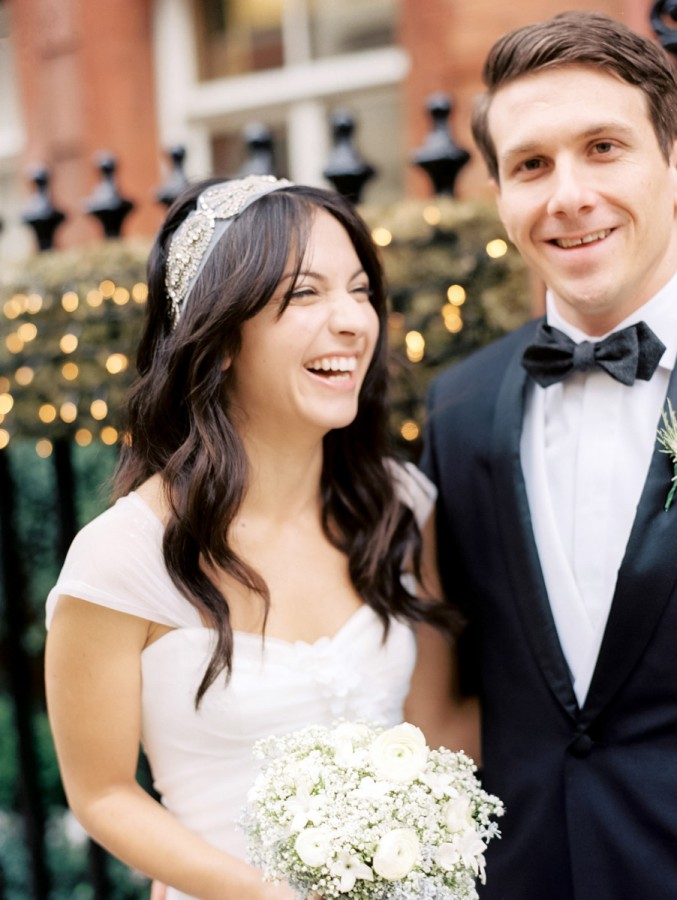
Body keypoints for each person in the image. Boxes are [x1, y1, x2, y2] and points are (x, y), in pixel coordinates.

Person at [45, 175, 477, 900]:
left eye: (360, 290)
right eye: (304, 294)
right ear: (218, 340)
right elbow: (103, 794)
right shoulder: (118, 558)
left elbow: (435, 730)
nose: (352, 321)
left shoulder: (401, 505)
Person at [421, 10, 677, 900]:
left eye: (603, 148)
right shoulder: (456, 408)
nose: (567, 195)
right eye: (530, 164)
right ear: (498, 194)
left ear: (670, 161)